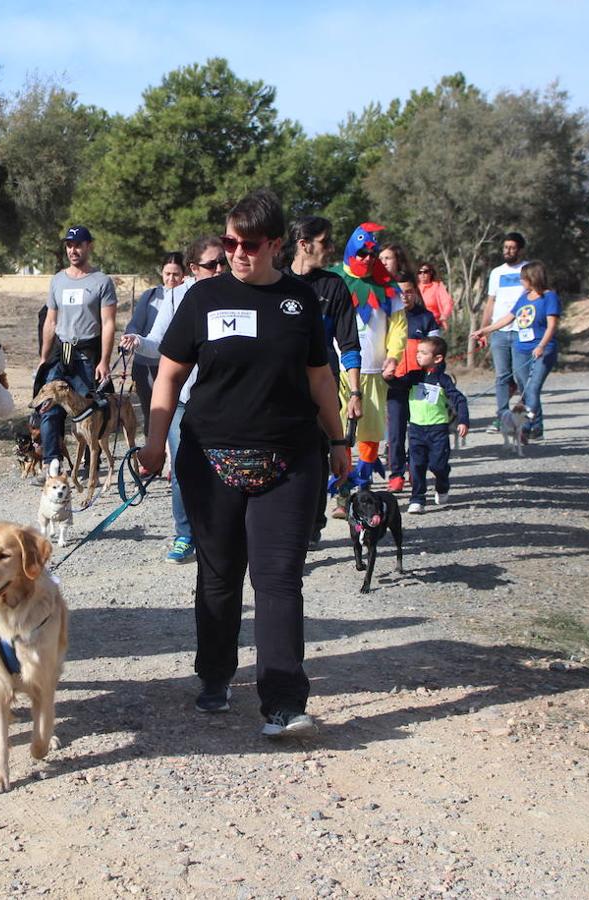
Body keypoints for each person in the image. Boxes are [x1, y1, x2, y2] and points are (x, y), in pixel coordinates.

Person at [136, 189, 351, 739]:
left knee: (279, 580)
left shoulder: (300, 300)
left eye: (249, 244)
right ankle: (215, 672)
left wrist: (339, 440)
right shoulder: (202, 299)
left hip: (290, 457)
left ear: (277, 244)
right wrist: (155, 443)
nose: (236, 252)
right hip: (210, 459)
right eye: (229, 241)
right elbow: (169, 375)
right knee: (219, 577)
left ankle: (283, 701)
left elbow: (320, 377)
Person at [120, 236, 228, 563]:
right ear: (194, 269)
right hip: (184, 401)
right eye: (213, 265)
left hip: (224, 403)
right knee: (182, 469)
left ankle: (225, 535)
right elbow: (160, 344)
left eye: (224, 261)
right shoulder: (176, 297)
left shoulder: (239, 292)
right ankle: (185, 534)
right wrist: (138, 341)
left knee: (224, 471)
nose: (221, 269)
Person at [287, 216, 360, 541]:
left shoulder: (334, 285)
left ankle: (311, 525)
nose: (332, 248)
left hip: (322, 384)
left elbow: (348, 344)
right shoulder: (276, 280)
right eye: (326, 241)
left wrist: (355, 391)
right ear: (304, 244)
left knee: (316, 454)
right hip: (279, 386)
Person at [329, 223, 406, 514]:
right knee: (339, 432)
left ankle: (363, 487)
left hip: (374, 371)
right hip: (338, 372)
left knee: (370, 433)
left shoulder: (387, 285)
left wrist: (394, 355)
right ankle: (342, 491)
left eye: (371, 254)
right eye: (361, 253)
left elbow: (399, 325)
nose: (366, 259)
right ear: (351, 250)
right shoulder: (333, 279)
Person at [37, 226, 117, 475]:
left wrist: (104, 360)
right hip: (63, 351)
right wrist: (43, 357)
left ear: (89, 246)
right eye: (69, 245)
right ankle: (52, 460)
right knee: (50, 402)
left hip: (87, 351)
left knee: (88, 406)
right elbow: (51, 321)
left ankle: (93, 456)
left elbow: (108, 323)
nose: (73, 250)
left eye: (79, 244)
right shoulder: (58, 280)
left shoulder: (101, 281)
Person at [472, 261, 559, 440]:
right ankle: (537, 427)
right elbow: (508, 318)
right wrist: (485, 330)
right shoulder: (524, 297)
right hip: (521, 348)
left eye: (523, 278)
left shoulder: (550, 297)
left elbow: (552, 325)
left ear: (532, 278)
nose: (521, 282)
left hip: (542, 349)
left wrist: (541, 345)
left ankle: (526, 426)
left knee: (533, 387)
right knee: (525, 389)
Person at [379, 243, 440, 493]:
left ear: (415, 292)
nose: (404, 297)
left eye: (408, 292)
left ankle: (417, 473)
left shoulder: (425, 319)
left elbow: (438, 351)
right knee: (394, 432)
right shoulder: (388, 317)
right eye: (399, 293)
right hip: (394, 383)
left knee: (418, 432)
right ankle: (396, 474)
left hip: (419, 383)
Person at [384, 337, 468, 514]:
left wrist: (463, 420)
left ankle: (442, 483)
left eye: (423, 353)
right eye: (418, 352)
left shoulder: (443, 380)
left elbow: (459, 399)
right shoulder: (414, 376)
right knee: (416, 466)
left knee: (438, 465)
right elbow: (398, 385)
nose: (418, 356)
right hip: (416, 430)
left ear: (437, 358)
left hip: (438, 430)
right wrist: (388, 378)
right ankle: (417, 499)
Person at [124, 253, 185, 424]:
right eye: (167, 274)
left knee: (175, 416)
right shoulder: (150, 296)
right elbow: (135, 324)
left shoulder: (188, 296)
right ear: (162, 273)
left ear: (184, 274)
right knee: (152, 416)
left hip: (175, 366)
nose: (171, 278)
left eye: (176, 274)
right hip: (146, 366)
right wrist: (131, 338)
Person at [480, 233, 528, 432]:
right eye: (505, 247)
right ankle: (501, 416)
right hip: (499, 331)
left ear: (520, 250)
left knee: (522, 377)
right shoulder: (496, 273)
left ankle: (526, 418)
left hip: (522, 331)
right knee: (501, 376)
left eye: (512, 247)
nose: (508, 251)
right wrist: (484, 330)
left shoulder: (528, 270)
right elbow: (491, 302)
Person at [415, 262, 454, 328]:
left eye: (425, 272)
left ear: (431, 273)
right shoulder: (414, 288)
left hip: (434, 324)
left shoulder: (437, 286)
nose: (422, 274)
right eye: (420, 272)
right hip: (417, 325)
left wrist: (444, 315)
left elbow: (447, 302)